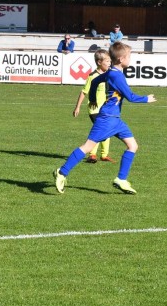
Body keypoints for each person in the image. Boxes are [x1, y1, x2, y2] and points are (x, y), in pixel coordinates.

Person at [53, 41, 156, 195]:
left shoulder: (111, 72)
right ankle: (62, 172)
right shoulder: (116, 76)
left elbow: (95, 81)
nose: (130, 59)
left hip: (115, 119)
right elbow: (131, 97)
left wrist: (93, 98)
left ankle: (121, 179)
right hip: (107, 119)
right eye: (129, 56)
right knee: (88, 147)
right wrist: (146, 99)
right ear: (121, 59)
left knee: (133, 145)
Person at [73, 48, 114, 164]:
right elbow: (84, 92)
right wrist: (78, 107)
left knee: (107, 130)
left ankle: (104, 155)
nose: (109, 63)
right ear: (99, 62)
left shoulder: (109, 75)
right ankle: (92, 155)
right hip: (94, 109)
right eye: (107, 61)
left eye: (110, 61)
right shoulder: (92, 76)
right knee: (101, 130)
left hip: (106, 109)